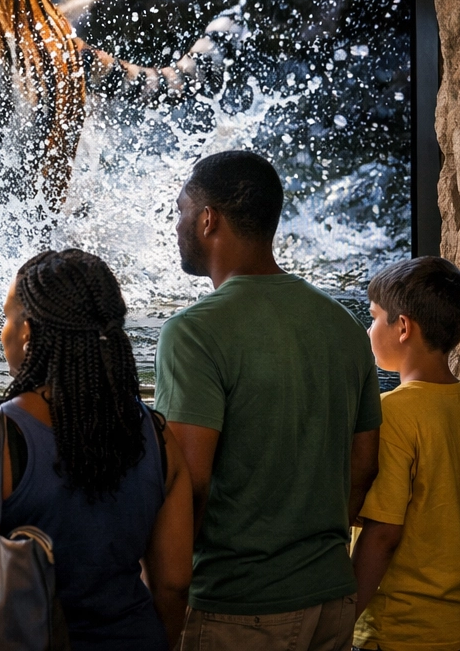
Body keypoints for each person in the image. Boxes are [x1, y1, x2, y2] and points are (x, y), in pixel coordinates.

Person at [0, 248, 194, 650]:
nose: (3, 332)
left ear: (27, 332)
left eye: (6, 317)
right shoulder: (157, 437)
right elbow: (174, 585)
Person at [156, 150, 380, 649]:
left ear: (208, 219)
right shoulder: (344, 326)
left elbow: (190, 482)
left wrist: (168, 595)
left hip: (237, 606)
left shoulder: (193, 333)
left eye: (180, 210)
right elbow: (365, 464)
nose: (176, 225)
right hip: (331, 596)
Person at [352, 257, 460, 651]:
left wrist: (343, 622)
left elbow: (383, 535)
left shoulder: (391, 414)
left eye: (374, 318)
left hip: (405, 633)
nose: (368, 330)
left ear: (403, 327)